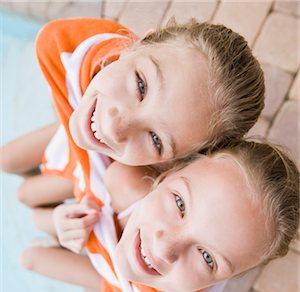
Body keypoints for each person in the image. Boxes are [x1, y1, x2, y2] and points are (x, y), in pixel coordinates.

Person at [20, 140, 299, 292]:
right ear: (167, 175)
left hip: (117, 282)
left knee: (30, 258)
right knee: (25, 193)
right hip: (99, 204)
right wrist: (60, 219)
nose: (165, 249)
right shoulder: (124, 182)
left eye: (207, 257)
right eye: (179, 204)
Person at [0, 17, 265, 208]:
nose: (117, 126)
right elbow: (53, 46)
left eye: (156, 139)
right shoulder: (77, 51)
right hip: (83, 138)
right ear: (139, 43)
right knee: (6, 159)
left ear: (175, 162)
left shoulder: (131, 183)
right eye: (141, 85)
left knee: (27, 196)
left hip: (96, 168)